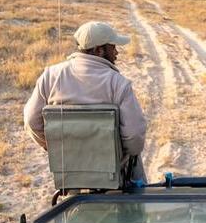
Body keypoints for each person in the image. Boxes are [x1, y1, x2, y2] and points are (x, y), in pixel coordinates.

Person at [23, 21, 147, 181]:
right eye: (113, 47)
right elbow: (135, 137)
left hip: (69, 169)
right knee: (135, 159)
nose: (116, 52)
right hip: (112, 173)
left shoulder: (50, 76)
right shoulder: (118, 83)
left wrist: (54, 147)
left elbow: (31, 121)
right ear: (99, 50)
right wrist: (117, 153)